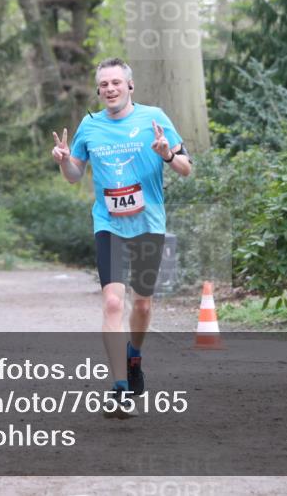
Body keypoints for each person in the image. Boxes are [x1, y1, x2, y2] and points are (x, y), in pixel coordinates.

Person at [51, 58, 191, 410]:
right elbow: (74, 176)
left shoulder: (153, 119)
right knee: (113, 302)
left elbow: (186, 169)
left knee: (142, 303)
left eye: (116, 82)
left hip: (147, 224)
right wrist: (64, 160)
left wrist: (168, 153)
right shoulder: (90, 125)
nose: (110, 89)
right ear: (98, 91)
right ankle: (119, 387)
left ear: (130, 86)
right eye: (104, 84)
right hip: (108, 224)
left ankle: (134, 356)